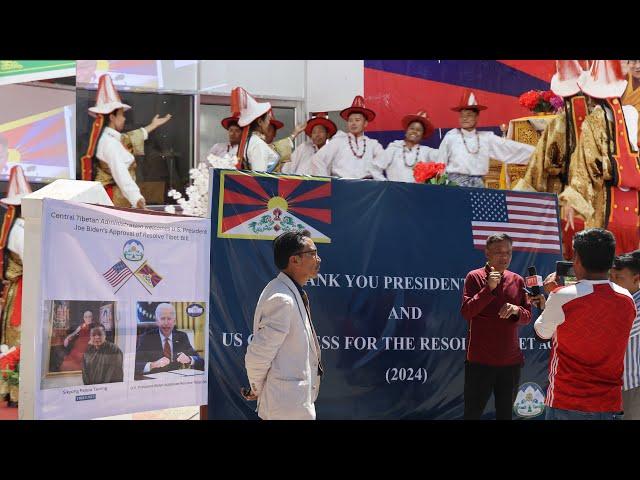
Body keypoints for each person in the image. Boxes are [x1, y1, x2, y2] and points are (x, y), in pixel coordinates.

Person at [534, 228, 636, 420]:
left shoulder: (561, 297)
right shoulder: (627, 299)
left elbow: (541, 333)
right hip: (609, 404)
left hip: (566, 403)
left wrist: (553, 297)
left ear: (577, 260)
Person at [559, 60, 640, 254]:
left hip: (605, 203)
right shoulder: (631, 113)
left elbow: (584, 165)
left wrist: (572, 199)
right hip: (633, 202)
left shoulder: (593, 121)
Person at [514, 60, 590, 260]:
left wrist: (523, 198)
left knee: (567, 253)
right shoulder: (601, 121)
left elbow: (539, 167)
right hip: (596, 199)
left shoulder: (558, 124)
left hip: (564, 198)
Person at [244, 230, 323, 420]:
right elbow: (258, 355)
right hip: (285, 410)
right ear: (294, 260)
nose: (318, 259)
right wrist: (256, 388)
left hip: (291, 406)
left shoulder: (288, 291)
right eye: (312, 253)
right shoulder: (282, 298)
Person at [460, 233, 532, 420]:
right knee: (472, 414)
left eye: (508, 252)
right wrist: (488, 289)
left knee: (505, 415)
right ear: (487, 253)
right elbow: (467, 312)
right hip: (480, 362)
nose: (504, 257)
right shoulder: (474, 277)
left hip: (510, 363)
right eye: (499, 252)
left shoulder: (517, 280)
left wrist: (516, 309)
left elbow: (527, 317)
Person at [81, 74, 172, 208]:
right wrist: (137, 198)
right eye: (122, 115)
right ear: (112, 117)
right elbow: (122, 175)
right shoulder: (110, 143)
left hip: (114, 197)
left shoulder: (110, 138)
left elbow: (130, 137)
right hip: (114, 199)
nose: (124, 119)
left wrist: (153, 125)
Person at [436, 90, 535, 188]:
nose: (464, 118)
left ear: (477, 117)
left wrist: (538, 153)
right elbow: (440, 162)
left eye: (469, 115)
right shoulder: (451, 136)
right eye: (462, 115)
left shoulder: (485, 138)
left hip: (477, 187)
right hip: (454, 187)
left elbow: (511, 148)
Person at [311, 96, 385, 179]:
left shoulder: (373, 144)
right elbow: (317, 159)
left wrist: (380, 182)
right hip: (341, 186)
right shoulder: (338, 141)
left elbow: (384, 161)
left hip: (366, 187)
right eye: (350, 120)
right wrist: (324, 182)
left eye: (357, 120)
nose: (353, 123)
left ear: (365, 123)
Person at [0, 166, 31, 349]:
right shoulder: (22, 230)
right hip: (22, 289)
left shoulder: (17, 228)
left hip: (16, 288)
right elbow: (32, 264)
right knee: (18, 334)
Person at [609, 251, 640, 420]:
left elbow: (614, 335)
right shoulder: (614, 300)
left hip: (631, 384)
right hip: (608, 385)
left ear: (636, 279)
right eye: (611, 276)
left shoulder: (637, 305)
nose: (612, 281)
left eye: (619, 277)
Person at [134, 303, 204, 376]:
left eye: (169, 319)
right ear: (157, 321)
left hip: (177, 381)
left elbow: (200, 360)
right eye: (162, 318)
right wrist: (153, 364)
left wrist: (189, 359)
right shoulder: (146, 338)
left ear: (174, 321)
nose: (166, 323)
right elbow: (134, 365)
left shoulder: (181, 336)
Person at [371, 110, 439, 182]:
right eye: (412, 128)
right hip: (394, 191)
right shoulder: (394, 148)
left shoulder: (426, 152)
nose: (414, 131)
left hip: (417, 192)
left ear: (422, 135)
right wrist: (385, 185)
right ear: (406, 131)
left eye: (419, 130)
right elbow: (374, 167)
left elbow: (442, 156)